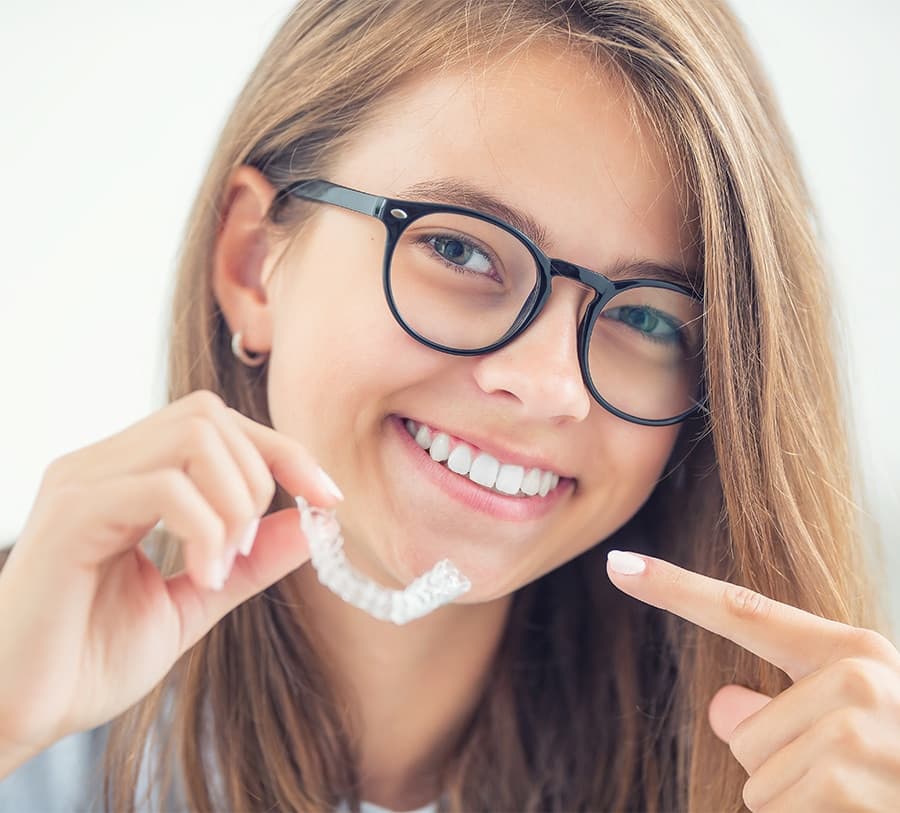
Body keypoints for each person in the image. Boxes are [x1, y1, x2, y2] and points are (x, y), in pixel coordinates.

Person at [0, 0, 898, 810]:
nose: (549, 383)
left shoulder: (787, 775)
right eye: (462, 251)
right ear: (251, 264)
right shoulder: (28, 704)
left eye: (647, 318)